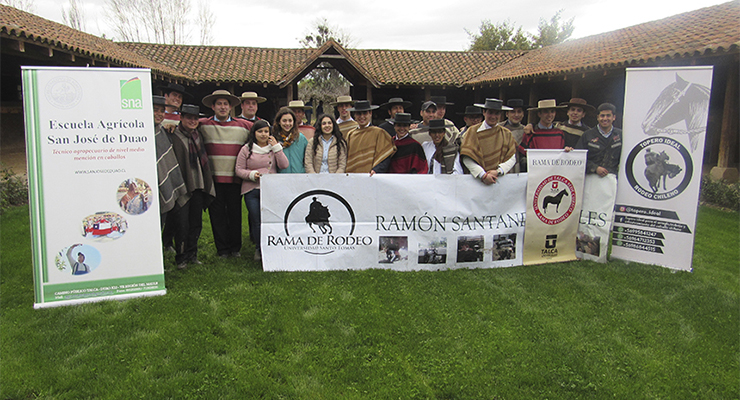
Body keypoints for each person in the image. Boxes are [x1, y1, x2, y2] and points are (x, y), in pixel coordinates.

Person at [199, 89, 252, 258]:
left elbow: (262, 132)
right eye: (219, 104)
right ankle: (222, 249)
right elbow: (186, 124)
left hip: (235, 178)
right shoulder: (203, 124)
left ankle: (235, 248)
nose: (222, 107)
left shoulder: (245, 126)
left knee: (235, 213)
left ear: (230, 107)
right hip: (214, 178)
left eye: (225, 104)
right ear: (213, 107)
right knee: (217, 215)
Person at [168, 104, 216, 269]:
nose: (192, 121)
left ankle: (192, 254)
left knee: (196, 222)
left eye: (195, 118)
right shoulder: (173, 135)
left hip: (198, 184)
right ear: (181, 118)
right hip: (182, 186)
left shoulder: (198, 135)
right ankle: (180, 257)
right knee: (182, 223)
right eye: (189, 117)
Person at [235, 120, 289, 261]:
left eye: (266, 131)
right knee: (257, 220)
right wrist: (251, 175)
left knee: (271, 220)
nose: (263, 134)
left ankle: (273, 247)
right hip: (252, 190)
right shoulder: (246, 149)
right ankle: (259, 249)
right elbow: (239, 170)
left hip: (270, 191)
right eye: (260, 131)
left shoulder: (273, 148)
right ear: (254, 133)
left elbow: (284, 165)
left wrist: (277, 147)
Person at [459, 98, 517, 185]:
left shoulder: (506, 134)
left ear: (501, 114)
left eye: (496, 113)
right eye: (490, 112)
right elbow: (466, 157)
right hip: (476, 181)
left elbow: (512, 157)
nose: (493, 117)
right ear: (484, 112)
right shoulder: (472, 131)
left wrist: (498, 171)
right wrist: (482, 175)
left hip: (499, 181)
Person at [569, 103, 622, 177]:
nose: (605, 119)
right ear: (598, 117)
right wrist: (595, 168)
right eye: (602, 116)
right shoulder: (587, 134)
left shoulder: (620, 135)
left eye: (608, 116)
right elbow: (579, 157)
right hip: (591, 177)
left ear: (614, 117)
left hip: (613, 177)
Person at [345, 100, 396, 174]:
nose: (362, 116)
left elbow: (385, 156)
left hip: (371, 176)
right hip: (353, 177)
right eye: (359, 114)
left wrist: (376, 170)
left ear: (370, 113)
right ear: (355, 115)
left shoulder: (379, 133)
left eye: (365, 113)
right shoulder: (350, 134)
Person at [518, 99, 567, 171]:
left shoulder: (559, 133)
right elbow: (522, 157)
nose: (550, 115)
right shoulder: (531, 133)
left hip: (555, 172)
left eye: (552, 111)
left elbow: (563, 155)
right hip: (536, 173)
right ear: (539, 114)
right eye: (546, 112)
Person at [273, 107, 308, 173]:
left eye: (290, 121)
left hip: (299, 176)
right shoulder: (275, 139)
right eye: (284, 121)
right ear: (279, 122)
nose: (287, 124)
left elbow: (308, 158)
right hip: (281, 177)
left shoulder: (301, 138)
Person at [498, 99, 529, 173]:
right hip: (501, 167)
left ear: (523, 114)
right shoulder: (498, 128)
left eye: (519, 111)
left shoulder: (526, 130)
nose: (516, 115)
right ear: (507, 114)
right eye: (513, 112)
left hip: (520, 169)